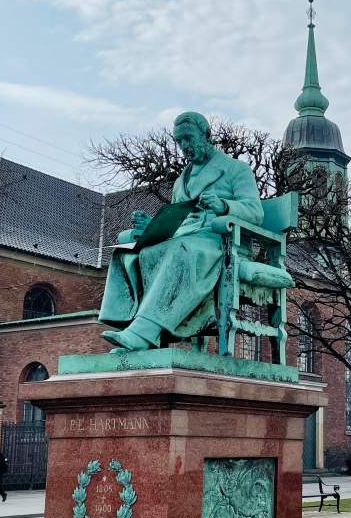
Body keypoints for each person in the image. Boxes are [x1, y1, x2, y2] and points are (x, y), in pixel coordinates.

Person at [99, 111, 263, 352]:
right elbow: (178, 218)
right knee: (128, 249)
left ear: (206, 135)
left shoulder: (236, 170)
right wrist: (152, 227)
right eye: (180, 141)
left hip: (221, 241)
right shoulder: (180, 181)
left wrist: (224, 206)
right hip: (184, 237)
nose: (184, 146)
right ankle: (132, 325)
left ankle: (142, 333)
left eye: (189, 138)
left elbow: (255, 212)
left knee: (179, 250)